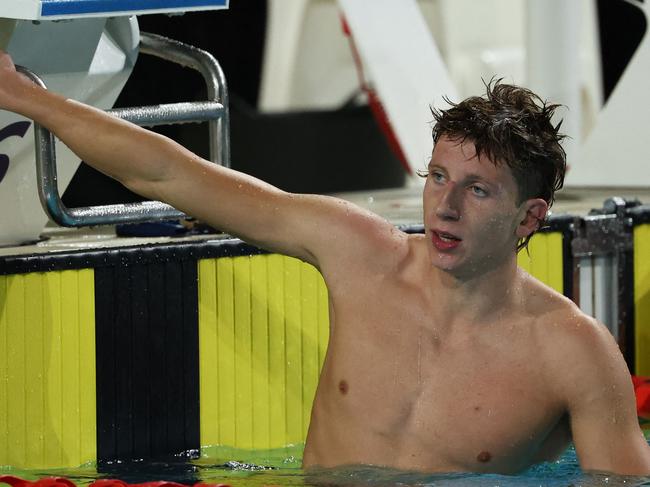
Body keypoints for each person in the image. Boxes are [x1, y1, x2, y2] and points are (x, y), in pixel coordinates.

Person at [0, 50, 648, 476]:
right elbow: (170, 173)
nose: (444, 207)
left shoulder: (571, 354)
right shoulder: (358, 252)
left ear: (530, 217)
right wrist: (31, 99)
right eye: (437, 177)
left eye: (477, 190)